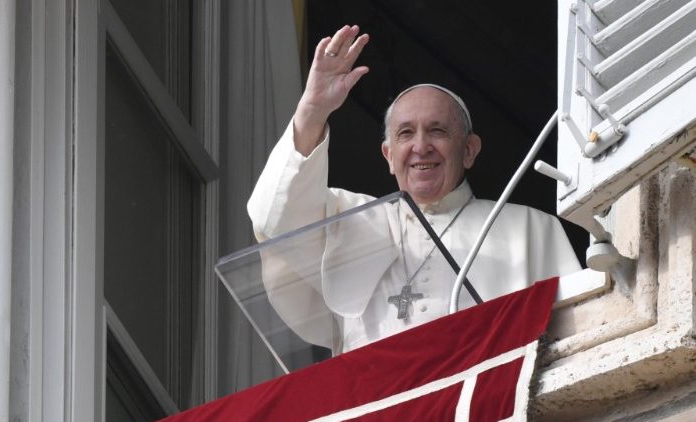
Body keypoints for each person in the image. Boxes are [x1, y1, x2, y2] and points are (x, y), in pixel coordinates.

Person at [247, 25, 580, 354]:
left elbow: (575, 337)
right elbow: (274, 218)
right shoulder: (350, 219)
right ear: (389, 157)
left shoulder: (532, 229)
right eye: (406, 134)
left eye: (437, 131)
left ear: (469, 150)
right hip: (377, 401)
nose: (421, 147)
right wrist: (312, 112)